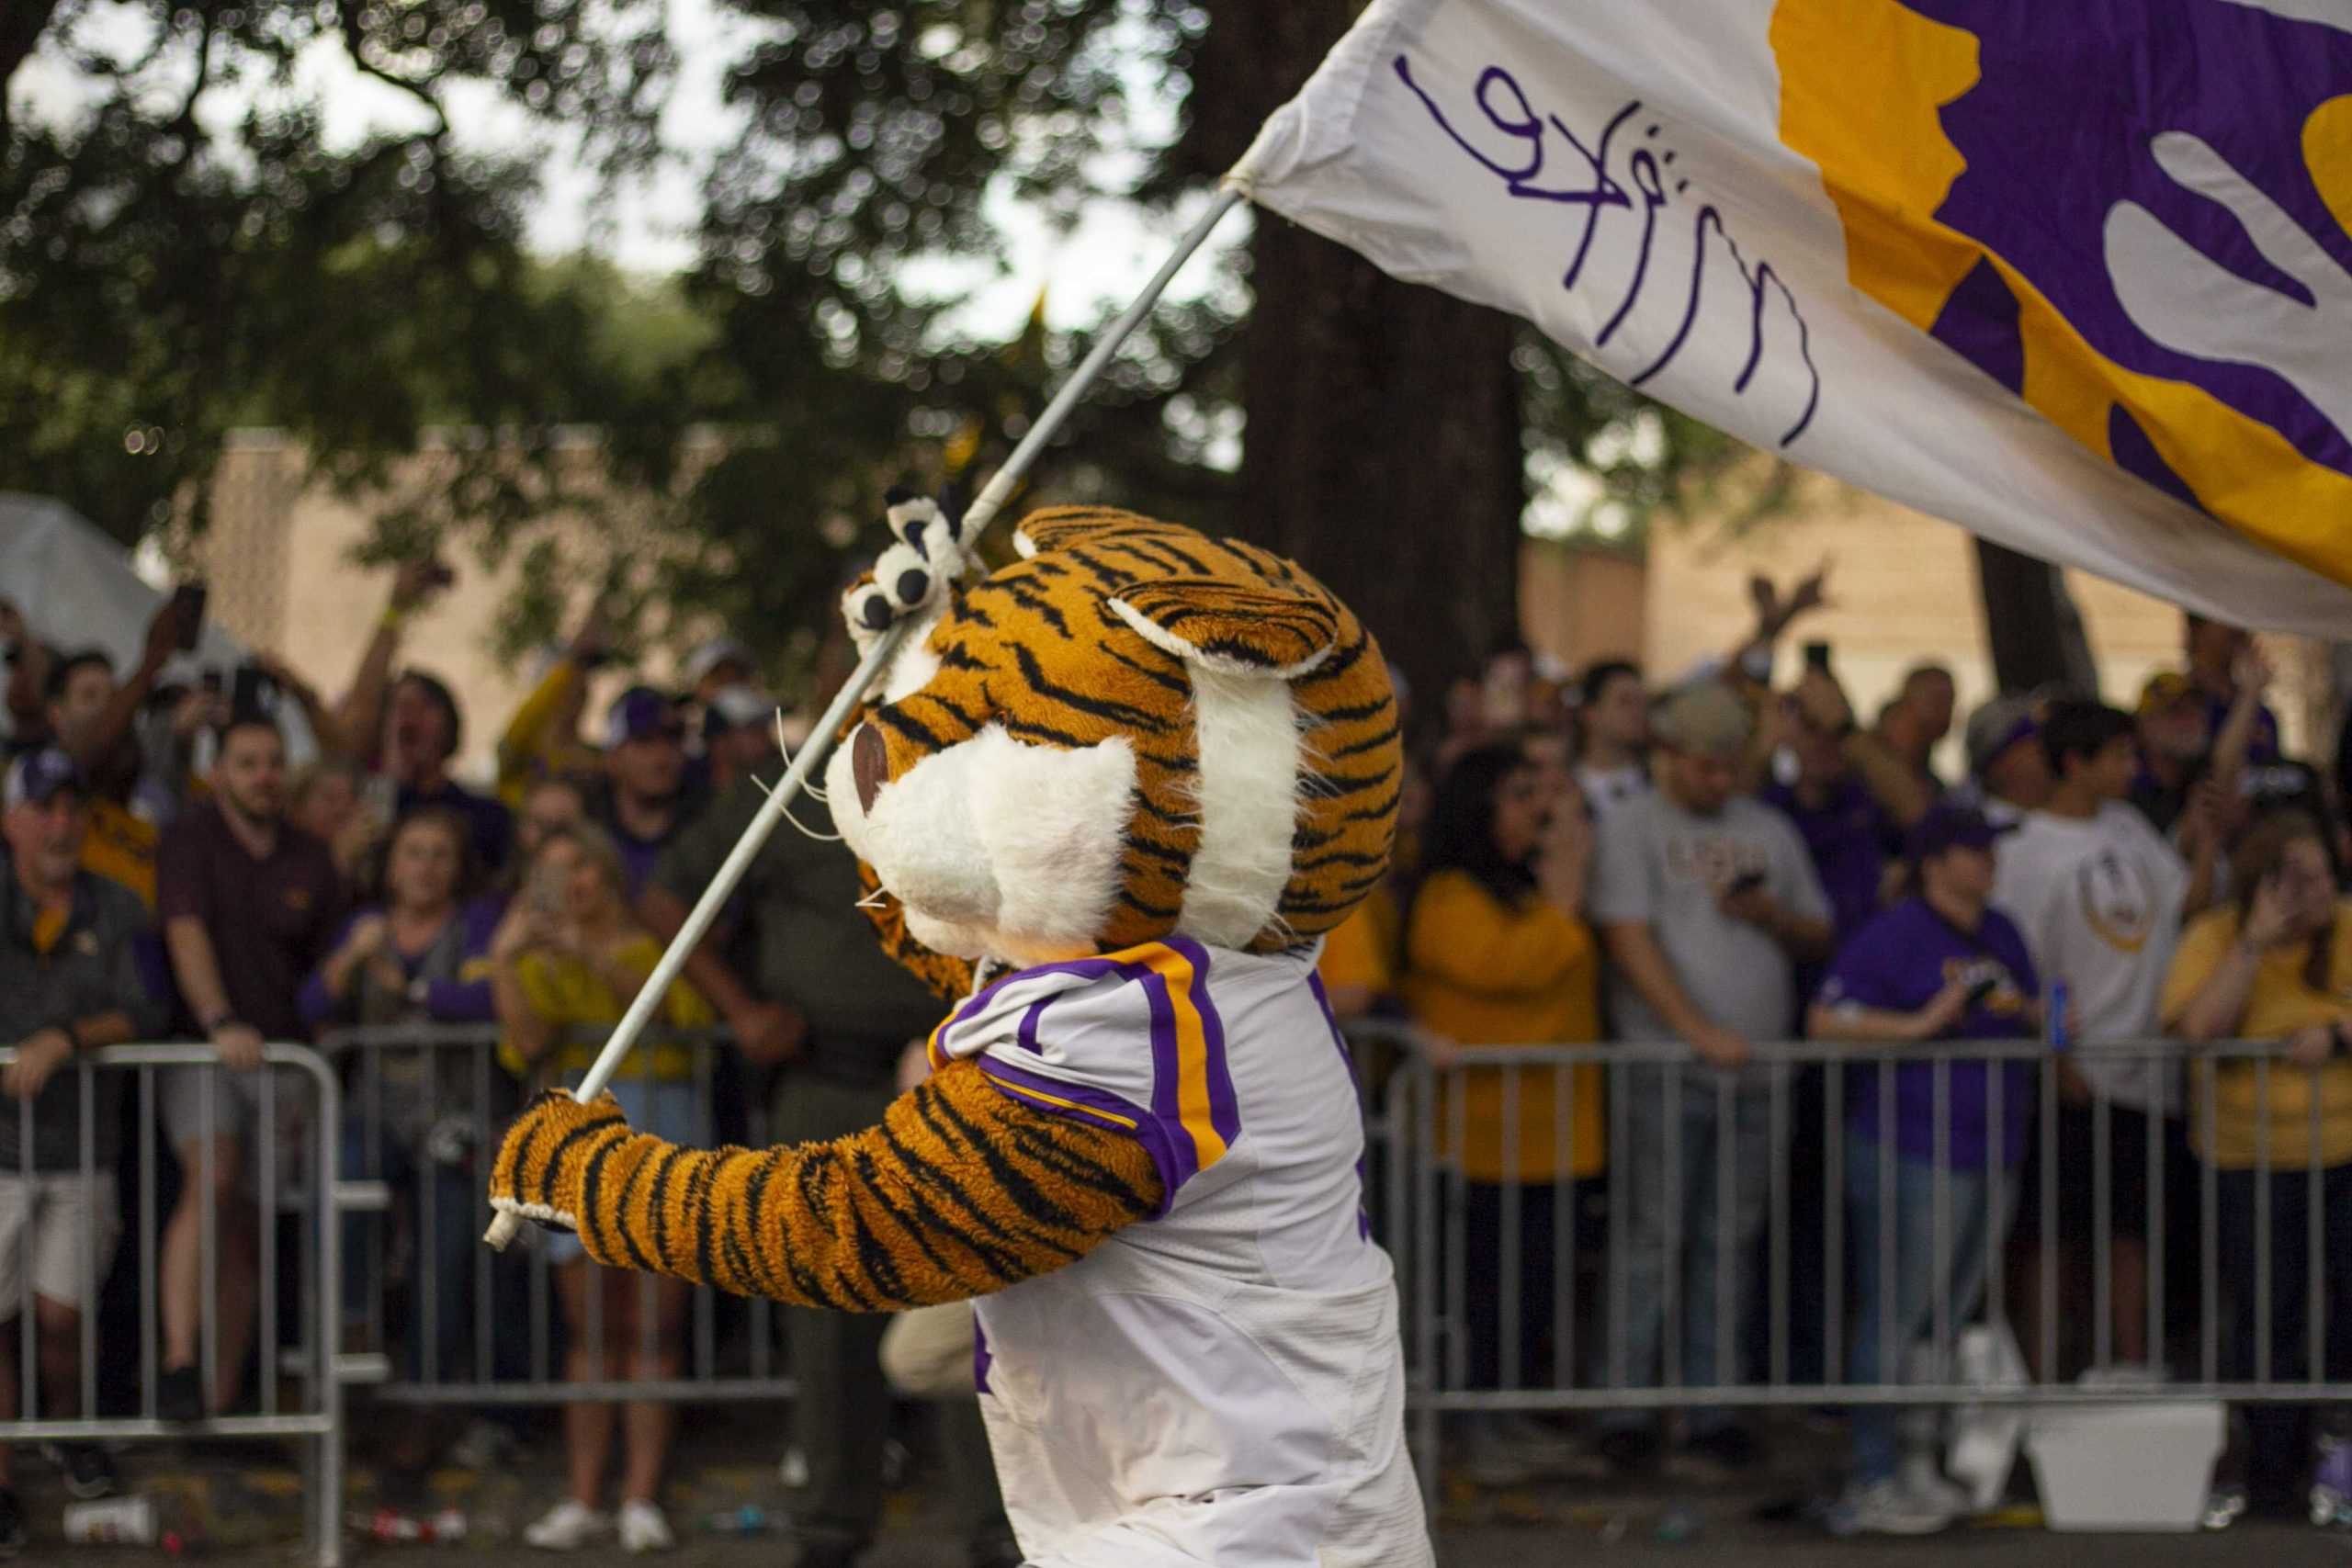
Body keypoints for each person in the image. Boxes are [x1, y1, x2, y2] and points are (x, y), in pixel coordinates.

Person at [645, 770, 1014, 1568]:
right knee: (823, 1301)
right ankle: (831, 1523)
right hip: (826, 1074)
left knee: (971, 1298)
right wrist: (739, 1008)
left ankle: (999, 1524)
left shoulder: (973, 766)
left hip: (954, 1073)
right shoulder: (788, 788)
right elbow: (667, 896)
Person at [1589, 681, 1834, 1471]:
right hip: (1667, 1068)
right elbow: (1629, 940)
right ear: (1667, 756)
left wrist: (1775, 918)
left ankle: (1712, 1404)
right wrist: (1697, 1032)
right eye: (1705, 768)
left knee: (1729, 1241)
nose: (1721, 783)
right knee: (1653, 1235)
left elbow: (1820, 928)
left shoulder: (1769, 828)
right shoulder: (1631, 828)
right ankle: (1625, 1405)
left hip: (1757, 1074)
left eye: (1731, 768)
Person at [1809, 805, 2041, 1535]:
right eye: (1973, 850)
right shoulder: (1897, 931)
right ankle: (1875, 1470)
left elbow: (2031, 1005)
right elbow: (1826, 1019)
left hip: (1992, 1143)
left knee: (1946, 1313)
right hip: (1911, 1143)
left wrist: (2042, 1016)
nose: (1989, 862)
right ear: (1935, 861)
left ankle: (1919, 1459)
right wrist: (1916, 1024)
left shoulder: (2000, 929)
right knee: (1898, 1307)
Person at [492, 824, 707, 1554]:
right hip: (578, 1149)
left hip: (655, 1129)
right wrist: (503, 957)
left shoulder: (647, 947)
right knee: (588, 1331)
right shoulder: (539, 960)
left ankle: (641, 1496)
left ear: (608, 874)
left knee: (651, 1325)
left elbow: (676, 1017)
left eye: (579, 865)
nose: (568, 886)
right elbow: (525, 1041)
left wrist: (585, 951)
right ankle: (585, 1494)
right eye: (551, 874)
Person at [1401, 742, 1602, 1485]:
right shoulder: (1450, 895)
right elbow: (1516, 967)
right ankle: (1478, 1429)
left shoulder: (1526, 891)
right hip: (1482, 1137)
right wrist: (1564, 895)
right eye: (1521, 795)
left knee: (1534, 1289)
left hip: (1554, 1129)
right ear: (1480, 807)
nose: (1535, 811)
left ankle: (1511, 1414)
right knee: (1486, 1291)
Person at [1994, 700, 2206, 1377]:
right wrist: (2059, 1056)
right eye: (2118, 755)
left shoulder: (2129, 826)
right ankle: (2045, 1383)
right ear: (2076, 763)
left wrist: (2214, 838)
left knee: (2132, 1232)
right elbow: (2028, 963)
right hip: (2077, 1075)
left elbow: (2184, 902)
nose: (2133, 767)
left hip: (2146, 1071)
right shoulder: (2025, 850)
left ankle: (2129, 1372)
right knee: (2055, 1237)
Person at [153, 716, 347, 1420]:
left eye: (273, 761)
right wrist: (218, 1020)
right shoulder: (190, 841)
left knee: (251, 1228)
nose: (263, 775)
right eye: (247, 762)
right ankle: (179, 1359)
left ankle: (219, 1399)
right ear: (218, 771)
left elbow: (328, 967)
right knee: (214, 1177)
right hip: (206, 1049)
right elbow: (186, 932)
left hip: (289, 1063)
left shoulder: (311, 856)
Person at [2162, 813, 2352, 1526]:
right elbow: (2198, 1029)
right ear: (2264, 883)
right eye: (2304, 879)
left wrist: (2335, 1032)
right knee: (2268, 1319)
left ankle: (2338, 1471)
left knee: (2342, 1316)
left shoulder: (2348, 926)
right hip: (2252, 1160)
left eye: (2327, 876)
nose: (2322, 892)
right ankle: (2274, 1482)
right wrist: (2253, 945)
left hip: (2343, 1151)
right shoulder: (2215, 936)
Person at [0, 749, 168, 1543]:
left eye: (74, 807)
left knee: (61, 1317)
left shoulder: (120, 905)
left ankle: (67, 1429)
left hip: (79, 1147)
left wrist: (63, 1038)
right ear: (12, 821)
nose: (62, 823)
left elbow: (147, 1010)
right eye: (45, 807)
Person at [298, 807, 500, 1468]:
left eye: (440, 853)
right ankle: (351, 1363)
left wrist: (406, 984)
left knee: (443, 1256)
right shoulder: (365, 926)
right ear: (391, 865)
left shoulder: (475, 925)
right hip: (375, 1110)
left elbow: (486, 999)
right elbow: (308, 1006)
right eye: (414, 852)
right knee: (345, 1198)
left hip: (452, 1116)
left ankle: (422, 1404)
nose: (426, 867)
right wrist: (347, 965)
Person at [592, 688, 698, 896]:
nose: (661, 757)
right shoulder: (587, 834)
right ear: (613, 757)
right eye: (644, 742)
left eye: (672, 741)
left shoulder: (706, 828)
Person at [2184, 614, 2281, 765]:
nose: (2237, 628)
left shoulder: (2261, 715)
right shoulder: (2181, 706)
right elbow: (2215, 773)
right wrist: (2249, 694)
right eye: (2224, 617)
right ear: (2197, 630)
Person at [1955, 694, 2052, 828]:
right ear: (1999, 763)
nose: (2045, 757)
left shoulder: (2061, 816)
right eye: (2032, 748)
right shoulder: (1969, 830)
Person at [1573, 660, 1649, 824]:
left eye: (1642, 702)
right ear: (1590, 713)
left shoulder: (1660, 786)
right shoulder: (1563, 784)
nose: (1638, 712)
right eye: (1625, 702)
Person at [1872, 663, 1958, 795]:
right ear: (1908, 704)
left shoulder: (1933, 786)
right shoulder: (1867, 761)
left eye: (1950, 702)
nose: (1946, 713)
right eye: (1937, 701)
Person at [699, 685, 779, 797]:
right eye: (752, 727)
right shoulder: (699, 801)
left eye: (763, 725)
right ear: (720, 742)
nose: (763, 733)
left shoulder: (770, 784)